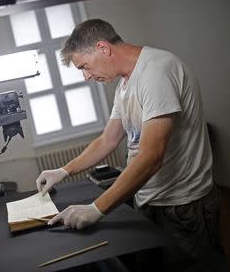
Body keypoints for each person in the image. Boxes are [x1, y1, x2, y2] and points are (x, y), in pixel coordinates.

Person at [36, 19, 226, 272]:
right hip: (149, 198)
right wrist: (63, 171)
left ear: (103, 48)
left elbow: (151, 157)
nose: (86, 76)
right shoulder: (125, 86)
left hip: (182, 204)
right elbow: (107, 140)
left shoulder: (156, 71)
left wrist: (97, 208)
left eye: (84, 66)